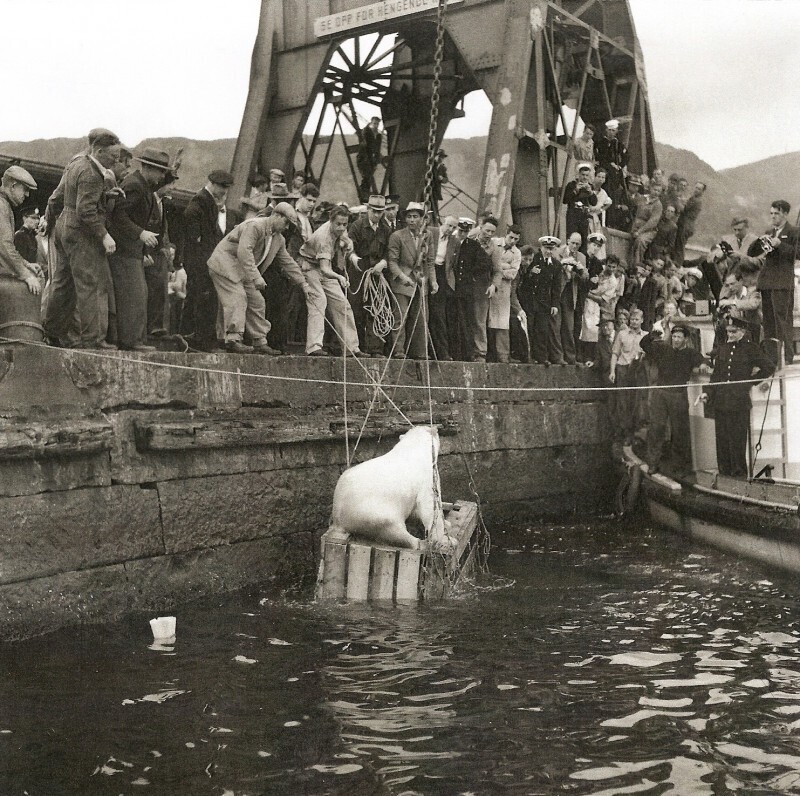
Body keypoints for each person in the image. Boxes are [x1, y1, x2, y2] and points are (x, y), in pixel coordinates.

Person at [43, 128, 121, 349]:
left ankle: (51, 332)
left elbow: (57, 198)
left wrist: (105, 195)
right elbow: (85, 210)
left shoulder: (75, 165)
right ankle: (92, 340)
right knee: (89, 285)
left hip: (64, 227)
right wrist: (104, 235)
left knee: (62, 283)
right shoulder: (91, 173)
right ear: (98, 150)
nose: (114, 162)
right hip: (81, 233)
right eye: (112, 157)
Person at [208, 201, 310, 354]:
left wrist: (303, 283)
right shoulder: (255, 226)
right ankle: (233, 339)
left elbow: (288, 262)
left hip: (243, 270)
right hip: (225, 264)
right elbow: (244, 252)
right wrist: (256, 277)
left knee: (257, 301)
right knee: (238, 296)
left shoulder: (278, 239)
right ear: (276, 215)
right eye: (286, 223)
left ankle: (260, 341)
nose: (287, 228)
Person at [108, 147, 174, 351]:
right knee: (133, 295)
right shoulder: (135, 185)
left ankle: (132, 339)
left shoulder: (143, 184)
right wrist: (141, 233)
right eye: (161, 172)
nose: (163, 177)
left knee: (137, 293)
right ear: (148, 168)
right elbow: (118, 215)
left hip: (131, 251)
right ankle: (131, 341)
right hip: (124, 251)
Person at [700, 315, 775, 477]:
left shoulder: (751, 348)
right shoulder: (723, 349)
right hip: (721, 402)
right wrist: (707, 392)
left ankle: (739, 477)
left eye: (733, 332)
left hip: (739, 403)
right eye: (728, 332)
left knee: (737, 442)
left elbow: (769, 367)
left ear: (742, 332)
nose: (730, 335)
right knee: (722, 441)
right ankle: (724, 475)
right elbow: (716, 376)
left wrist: (750, 381)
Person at [640, 323, 708, 475]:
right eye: (674, 337)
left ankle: (679, 466)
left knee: (680, 431)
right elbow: (643, 344)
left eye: (679, 337)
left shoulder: (691, 353)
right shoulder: (662, 348)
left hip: (678, 395)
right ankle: (653, 463)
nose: (676, 340)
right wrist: (651, 335)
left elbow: (703, 360)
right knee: (656, 428)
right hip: (661, 394)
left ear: (685, 339)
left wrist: (703, 364)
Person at [300, 204, 364, 357]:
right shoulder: (324, 238)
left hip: (325, 267)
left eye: (344, 224)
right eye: (339, 224)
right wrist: (340, 277)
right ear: (331, 221)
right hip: (310, 266)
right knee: (319, 300)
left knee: (342, 303)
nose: (342, 227)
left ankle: (351, 347)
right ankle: (314, 347)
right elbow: (324, 270)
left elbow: (345, 238)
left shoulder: (339, 228)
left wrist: (349, 243)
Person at [182, 169, 233, 351]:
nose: (224, 192)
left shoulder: (207, 201)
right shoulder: (201, 202)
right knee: (203, 300)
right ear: (212, 183)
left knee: (200, 298)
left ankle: (192, 337)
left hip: (202, 259)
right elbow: (194, 231)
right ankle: (202, 341)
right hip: (200, 260)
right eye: (222, 187)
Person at [749, 199, 798, 365]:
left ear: (785, 214)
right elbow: (753, 252)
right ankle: (772, 357)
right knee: (768, 322)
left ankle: (787, 358)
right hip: (767, 283)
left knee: (782, 321)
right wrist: (759, 241)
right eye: (771, 213)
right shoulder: (769, 231)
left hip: (782, 283)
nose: (773, 217)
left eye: (776, 213)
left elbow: (797, 254)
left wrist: (780, 244)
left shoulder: (794, 232)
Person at [387, 202, 438, 359]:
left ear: (422, 219)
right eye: (409, 217)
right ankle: (398, 350)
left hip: (420, 281)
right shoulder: (397, 236)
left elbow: (430, 261)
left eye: (415, 216)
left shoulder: (427, 235)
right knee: (400, 316)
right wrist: (403, 277)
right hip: (402, 282)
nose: (412, 220)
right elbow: (392, 262)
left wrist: (433, 282)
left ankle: (420, 351)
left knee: (421, 317)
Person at [348, 194, 392, 356]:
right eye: (374, 211)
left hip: (377, 274)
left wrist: (383, 263)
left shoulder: (386, 229)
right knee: (356, 310)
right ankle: (357, 347)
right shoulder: (357, 226)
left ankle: (375, 349)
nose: (377, 215)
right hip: (359, 274)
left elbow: (390, 251)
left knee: (377, 310)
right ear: (368, 210)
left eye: (380, 212)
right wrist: (354, 258)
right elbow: (349, 246)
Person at [0, 166, 42, 315]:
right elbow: (4, 246)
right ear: (13, 186)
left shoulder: (4, 205)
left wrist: (26, 264)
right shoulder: (1, 206)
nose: (27, 194)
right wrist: (26, 274)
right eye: (25, 189)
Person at [516, 235, 561, 365]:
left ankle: (541, 357)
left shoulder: (556, 265)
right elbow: (523, 279)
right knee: (529, 327)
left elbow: (556, 287)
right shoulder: (533, 259)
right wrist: (531, 273)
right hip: (529, 300)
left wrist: (554, 304)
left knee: (542, 330)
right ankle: (527, 356)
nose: (548, 251)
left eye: (551, 249)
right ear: (541, 247)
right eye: (546, 248)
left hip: (544, 303)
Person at [609, 307, 647, 443]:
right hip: (623, 370)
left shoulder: (646, 336)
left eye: (637, 319)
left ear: (642, 320)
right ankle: (625, 433)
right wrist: (612, 371)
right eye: (632, 319)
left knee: (637, 402)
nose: (634, 322)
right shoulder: (622, 334)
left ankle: (635, 433)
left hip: (639, 371)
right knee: (623, 402)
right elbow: (615, 353)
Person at [487, 224, 521, 363]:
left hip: (504, 290)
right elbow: (488, 264)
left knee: (502, 322)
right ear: (506, 234)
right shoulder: (494, 243)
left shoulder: (517, 253)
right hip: (489, 286)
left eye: (516, 239)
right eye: (511, 237)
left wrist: (498, 268)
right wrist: (504, 267)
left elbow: (513, 273)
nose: (512, 241)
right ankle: (489, 354)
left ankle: (503, 356)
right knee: (488, 319)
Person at [429, 215, 460, 361]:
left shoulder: (454, 241)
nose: (451, 230)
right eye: (449, 226)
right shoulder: (431, 232)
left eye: (454, 227)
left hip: (442, 275)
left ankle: (442, 352)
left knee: (439, 315)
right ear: (443, 223)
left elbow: (452, 263)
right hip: (428, 270)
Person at [563, 163, 597, 251]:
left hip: (583, 218)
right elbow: (565, 200)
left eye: (587, 175)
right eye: (583, 175)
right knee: (571, 239)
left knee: (583, 242)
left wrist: (591, 193)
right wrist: (576, 190)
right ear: (578, 175)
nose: (585, 177)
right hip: (572, 217)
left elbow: (594, 203)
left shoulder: (590, 186)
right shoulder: (571, 185)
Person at [594, 119, 627, 205]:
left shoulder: (618, 144)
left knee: (613, 192)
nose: (611, 132)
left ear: (616, 131)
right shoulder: (600, 142)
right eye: (609, 130)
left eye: (613, 130)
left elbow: (627, 156)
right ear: (606, 130)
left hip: (613, 173)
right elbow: (597, 155)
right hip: (602, 169)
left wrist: (620, 166)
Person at [674, 182, 706, 265]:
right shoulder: (694, 198)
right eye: (696, 187)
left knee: (679, 248)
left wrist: (676, 200)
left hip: (685, 226)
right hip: (686, 225)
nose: (696, 190)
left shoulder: (696, 200)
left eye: (699, 189)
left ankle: (677, 265)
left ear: (702, 191)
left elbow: (683, 209)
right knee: (679, 246)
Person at [631, 183, 663, 264]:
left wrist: (639, 231)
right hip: (635, 226)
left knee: (640, 241)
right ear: (650, 189)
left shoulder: (658, 205)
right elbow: (633, 208)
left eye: (659, 191)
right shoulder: (642, 198)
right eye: (655, 190)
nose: (656, 192)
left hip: (648, 230)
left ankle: (637, 264)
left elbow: (653, 222)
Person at [356, 116, 382, 201]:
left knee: (369, 177)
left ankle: (365, 193)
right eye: (374, 123)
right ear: (371, 122)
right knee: (366, 176)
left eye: (377, 124)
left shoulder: (378, 135)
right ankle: (363, 193)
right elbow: (364, 146)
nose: (376, 125)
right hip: (364, 158)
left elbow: (377, 148)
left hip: (372, 160)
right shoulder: (366, 131)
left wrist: (376, 159)